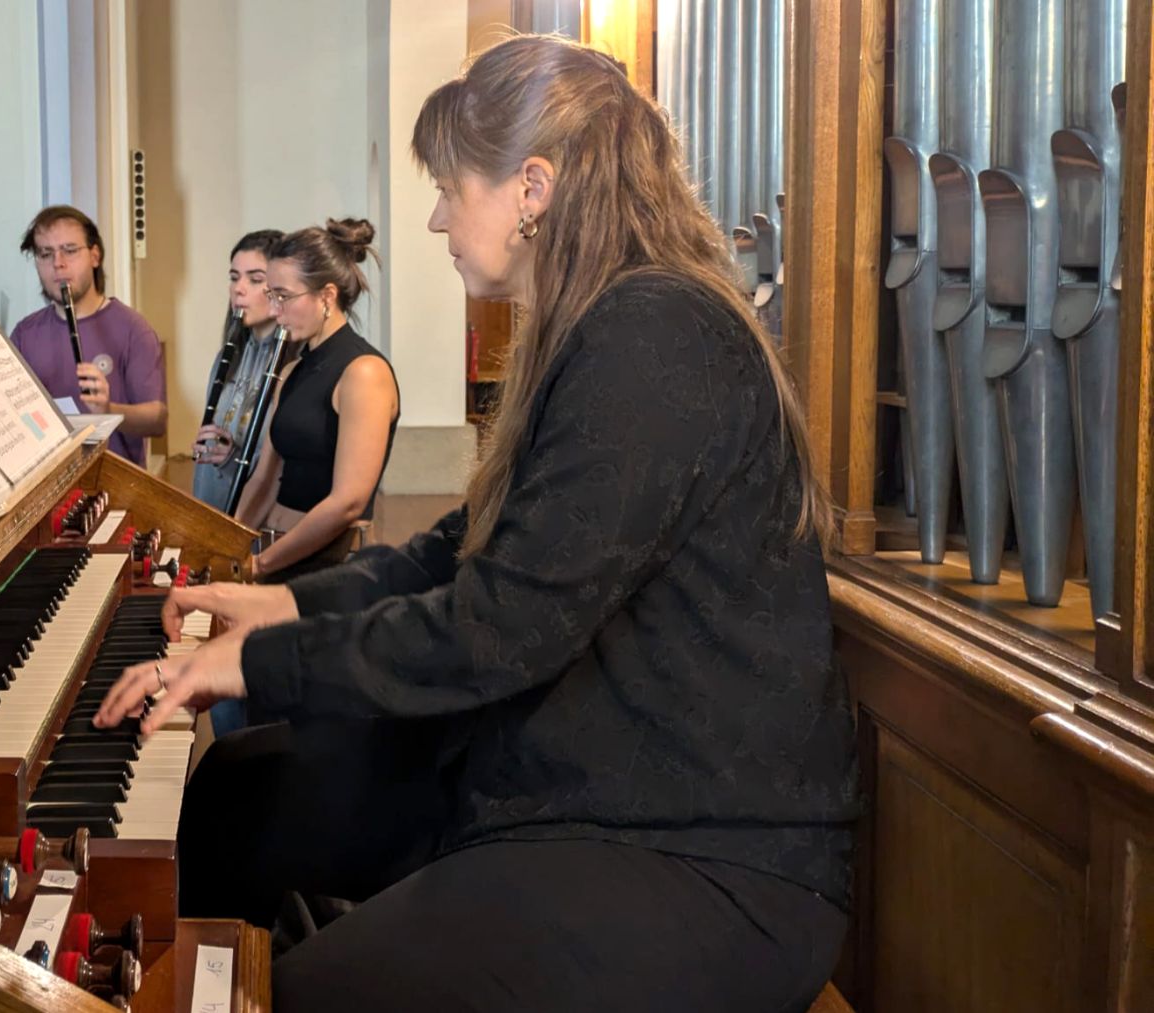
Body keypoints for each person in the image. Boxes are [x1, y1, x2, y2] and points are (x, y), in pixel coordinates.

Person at [95, 35, 858, 1012]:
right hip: (572, 775)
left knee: (310, 994)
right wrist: (280, 600)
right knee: (236, 799)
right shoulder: (595, 325)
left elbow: (499, 625)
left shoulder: (656, 333)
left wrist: (258, 663)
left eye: (452, 188)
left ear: (531, 188)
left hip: (699, 847)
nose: (435, 216)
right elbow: (452, 551)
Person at [232, 219, 399, 583]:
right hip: (275, 552)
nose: (275, 311)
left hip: (328, 566)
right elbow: (265, 479)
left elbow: (348, 502)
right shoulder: (292, 372)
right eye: (271, 296)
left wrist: (264, 564)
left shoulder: (364, 372)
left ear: (326, 296)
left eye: (283, 296)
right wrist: (226, 545)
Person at [9, 205, 167, 466]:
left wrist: (109, 411)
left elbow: (157, 419)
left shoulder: (133, 328)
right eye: (45, 253)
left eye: (69, 251)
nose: (57, 263)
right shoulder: (24, 334)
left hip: (113, 485)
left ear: (95, 256)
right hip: (49, 485)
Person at [191, 229, 288, 515]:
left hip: (255, 520)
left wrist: (233, 457)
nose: (238, 289)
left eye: (255, 279)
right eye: (234, 278)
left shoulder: (293, 365)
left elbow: (281, 468)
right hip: (213, 509)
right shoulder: (228, 357)